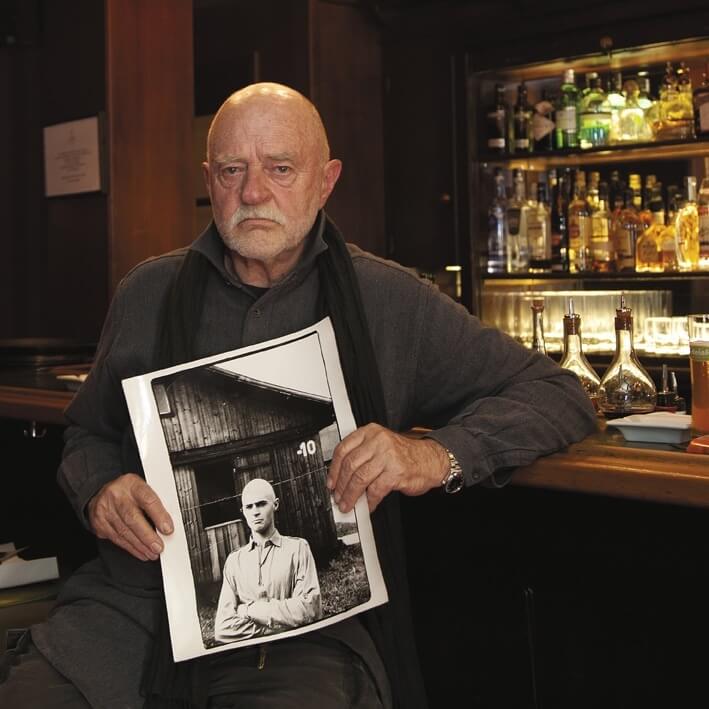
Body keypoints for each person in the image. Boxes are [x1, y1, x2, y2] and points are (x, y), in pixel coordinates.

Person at [0, 81, 598, 709]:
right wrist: (100, 490)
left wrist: (435, 456)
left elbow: (556, 392)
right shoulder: (147, 294)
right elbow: (87, 434)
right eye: (232, 170)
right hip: (130, 611)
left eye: (280, 169)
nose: (253, 192)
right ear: (209, 177)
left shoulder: (388, 300)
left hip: (303, 641)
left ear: (326, 180)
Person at [213, 478, 322, 642]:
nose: (255, 511)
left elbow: (309, 611)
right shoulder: (234, 562)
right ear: (243, 511)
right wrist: (281, 625)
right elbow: (223, 629)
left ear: (275, 504)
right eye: (249, 507)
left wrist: (250, 610)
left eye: (261, 504)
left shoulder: (298, 548)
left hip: (296, 648)